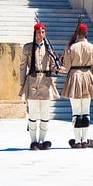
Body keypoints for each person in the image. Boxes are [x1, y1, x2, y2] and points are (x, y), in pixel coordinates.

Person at [19, 22, 64, 150]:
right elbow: (23, 66)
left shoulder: (49, 49)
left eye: (43, 32)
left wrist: (58, 69)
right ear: (35, 33)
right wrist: (22, 83)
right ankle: (33, 142)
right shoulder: (28, 48)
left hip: (45, 82)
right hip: (32, 81)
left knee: (45, 114)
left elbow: (52, 66)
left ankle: (42, 141)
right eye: (39, 32)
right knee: (33, 114)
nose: (41, 35)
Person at [61, 23, 93, 148]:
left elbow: (67, 66)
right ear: (87, 34)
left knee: (76, 112)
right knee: (86, 112)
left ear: (77, 34)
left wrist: (67, 47)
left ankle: (77, 141)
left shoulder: (72, 48)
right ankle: (84, 140)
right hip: (88, 78)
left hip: (75, 77)